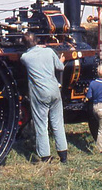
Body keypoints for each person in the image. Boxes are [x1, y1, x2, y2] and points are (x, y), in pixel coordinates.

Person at [20, 33, 68, 163]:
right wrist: (61, 60)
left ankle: (45, 156)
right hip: (54, 91)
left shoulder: (25, 57)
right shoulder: (49, 51)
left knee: (41, 124)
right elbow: (60, 67)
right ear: (37, 40)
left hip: (40, 94)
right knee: (58, 123)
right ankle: (63, 155)